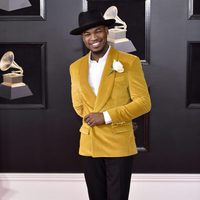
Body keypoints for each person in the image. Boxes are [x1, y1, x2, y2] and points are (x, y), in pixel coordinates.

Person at [69, 9, 151, 200]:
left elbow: (143, 103)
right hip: (89, 143)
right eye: (87, 34)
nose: (93, 38)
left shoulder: (129, 61)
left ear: (107, 31)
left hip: (118, 143)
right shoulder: (75, 67)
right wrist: (93, 119)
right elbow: (79, 105)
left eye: (98, 31)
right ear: (83, 38)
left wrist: (107, 117)